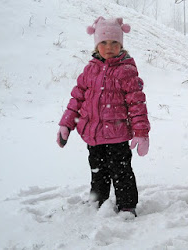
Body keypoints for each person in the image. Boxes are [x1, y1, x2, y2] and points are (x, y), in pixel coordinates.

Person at [56, 16, 150, 217]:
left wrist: (141, 132)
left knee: (121, 172)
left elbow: (137, 104)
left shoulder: (126, 71)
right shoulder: (90, 70)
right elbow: (77, 98)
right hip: (93, 135)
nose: (109, 47)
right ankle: (99, 202)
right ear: (96, 44)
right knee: (98, 171)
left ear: (121, 45)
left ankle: (127, 206)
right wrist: (66, 124)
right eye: (104, 43)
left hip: (117, 135)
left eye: (115, 42)